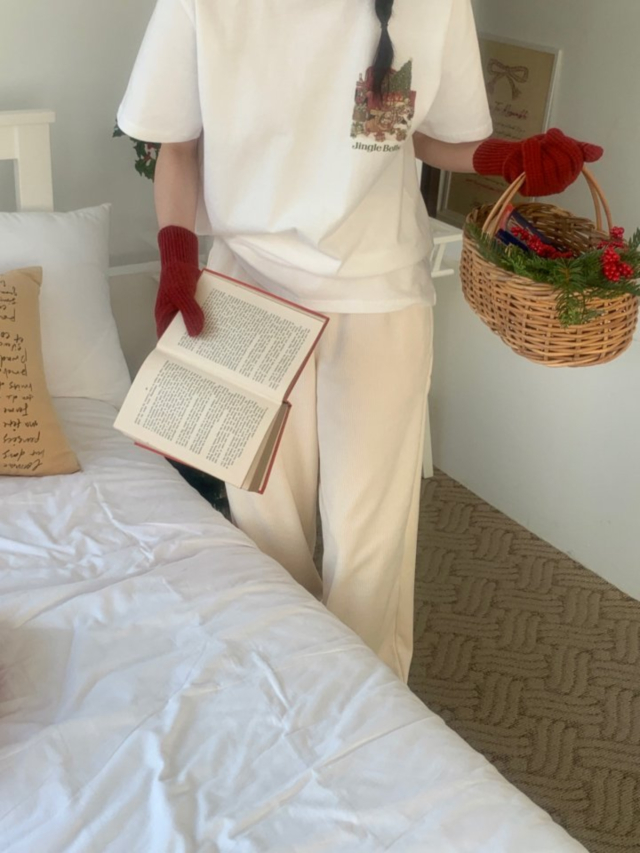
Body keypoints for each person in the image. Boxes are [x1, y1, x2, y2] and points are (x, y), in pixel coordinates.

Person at [118, 0, 602, 682]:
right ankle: (281, 691)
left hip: (380, 293)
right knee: (265, 533)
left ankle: (370, 713)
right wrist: (176, 256)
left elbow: (423, 135)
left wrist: (506, 158)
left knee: (369, 543)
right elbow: (176, 143)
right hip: (247, 289)